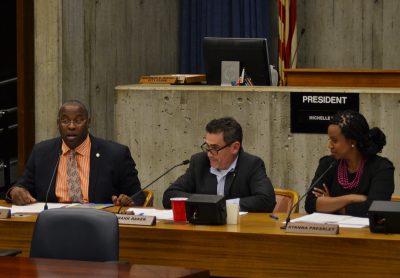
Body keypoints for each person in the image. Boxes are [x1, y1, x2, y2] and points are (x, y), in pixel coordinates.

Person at [7, 100, 145, 206]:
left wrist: (128, 201)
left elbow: (138, 196)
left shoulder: (116, 154)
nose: (71, 126)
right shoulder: (42, 152)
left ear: (88, 123)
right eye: (65, 121)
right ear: (58, 124)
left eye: (78, 120)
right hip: (53, 226)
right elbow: (22, 186)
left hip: (98, 227)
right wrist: (15, 191)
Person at [162, 117, 276, 212]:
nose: (209, 154)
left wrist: (222, 205)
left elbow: (266, 200)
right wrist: (204, 202)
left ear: (235, 147)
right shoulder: (199, 162)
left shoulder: (251, 165)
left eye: (215, 148)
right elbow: (169, 196)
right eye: (207, 147)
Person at [305, 110, 394, 217]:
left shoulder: (381, 167)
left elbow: (375, 210)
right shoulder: (328, 164)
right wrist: (352, 198)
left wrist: (330, 204)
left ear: (352, 142)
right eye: (330, 140)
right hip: (330, 231)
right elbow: (310, 204)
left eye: (334, 140)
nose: (330, 146)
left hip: (366, 233)